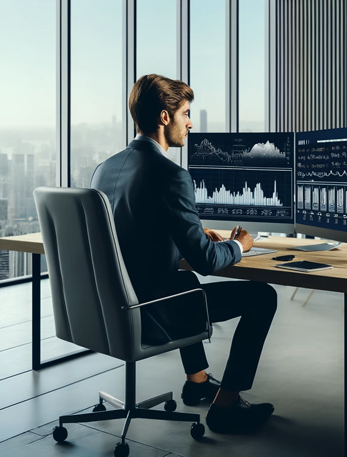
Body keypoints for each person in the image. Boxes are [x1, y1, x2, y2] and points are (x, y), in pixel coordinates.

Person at [90, 74, 277, 434]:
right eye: (186, 114)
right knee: (262, 296)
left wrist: (185, 234)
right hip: (150, 311)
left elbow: (130, 236)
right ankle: (225, 407)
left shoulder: (105, 169)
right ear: (165, 117)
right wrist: (239, 246)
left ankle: (197, 382)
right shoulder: (171, 175)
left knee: (183, 279)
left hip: (109, 307)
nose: (190, 123)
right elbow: (207, 261)